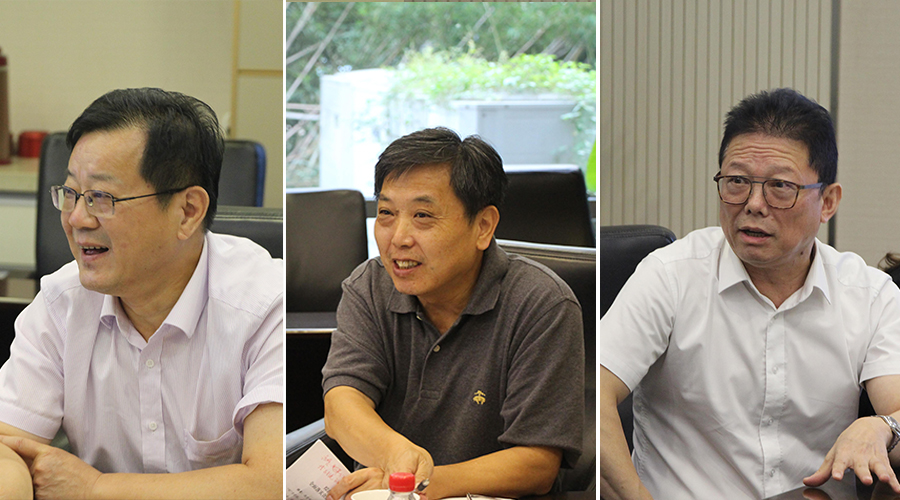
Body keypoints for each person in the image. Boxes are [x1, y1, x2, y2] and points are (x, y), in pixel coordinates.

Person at [599, 87, 900, 499]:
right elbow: (593, 395)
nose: (754, 204)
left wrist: (884, 427)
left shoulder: (869, 295)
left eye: (780, 186)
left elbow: (896, 408)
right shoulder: (671, 275)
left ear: (828, 202)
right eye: (737, 181)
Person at [0, 88, 283, 499]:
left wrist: (96, 488)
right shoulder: (62, 302)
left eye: (101, 198)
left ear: (188, 211)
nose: (77, 218)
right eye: (71, 193)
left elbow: (271, 483)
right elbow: (8, 447)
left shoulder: (265, 305)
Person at [321, 127, 584, 499]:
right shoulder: (369, 286)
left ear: (483, 226)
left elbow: (536, 464)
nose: (398, 238)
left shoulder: (542, 303)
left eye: (423, 215)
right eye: (386, 213)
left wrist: (416, 485)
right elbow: (341, 404)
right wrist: (396, 457)